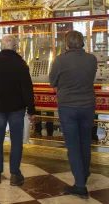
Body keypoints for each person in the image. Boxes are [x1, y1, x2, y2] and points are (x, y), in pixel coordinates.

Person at [49, 31, 97, 199]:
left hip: (68, 106)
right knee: (85, 141)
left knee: (72, 145)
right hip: (88, 106)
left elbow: (52, 81)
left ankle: (80, 185)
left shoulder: (61, 60)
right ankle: (83, 173)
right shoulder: (92, 59)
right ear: (82, 43)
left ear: (66, 44)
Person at [0, 35, 35, 186]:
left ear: (1, 47)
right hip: (16, 108)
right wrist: (32, 110)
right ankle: (15, 174)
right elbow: (27, 89)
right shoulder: (21, 64)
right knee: (16, 141)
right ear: (15, 47)